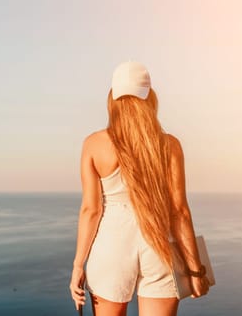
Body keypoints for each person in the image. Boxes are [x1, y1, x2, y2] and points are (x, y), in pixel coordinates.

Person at [69, 61, 210, 316]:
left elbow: (91, 210)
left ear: (112, 98)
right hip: (159, 244)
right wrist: (194, 269)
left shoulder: (94, 144)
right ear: (150, 98)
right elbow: (180, 212)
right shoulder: (170, 146)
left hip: (111, 245)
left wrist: (78, 266)